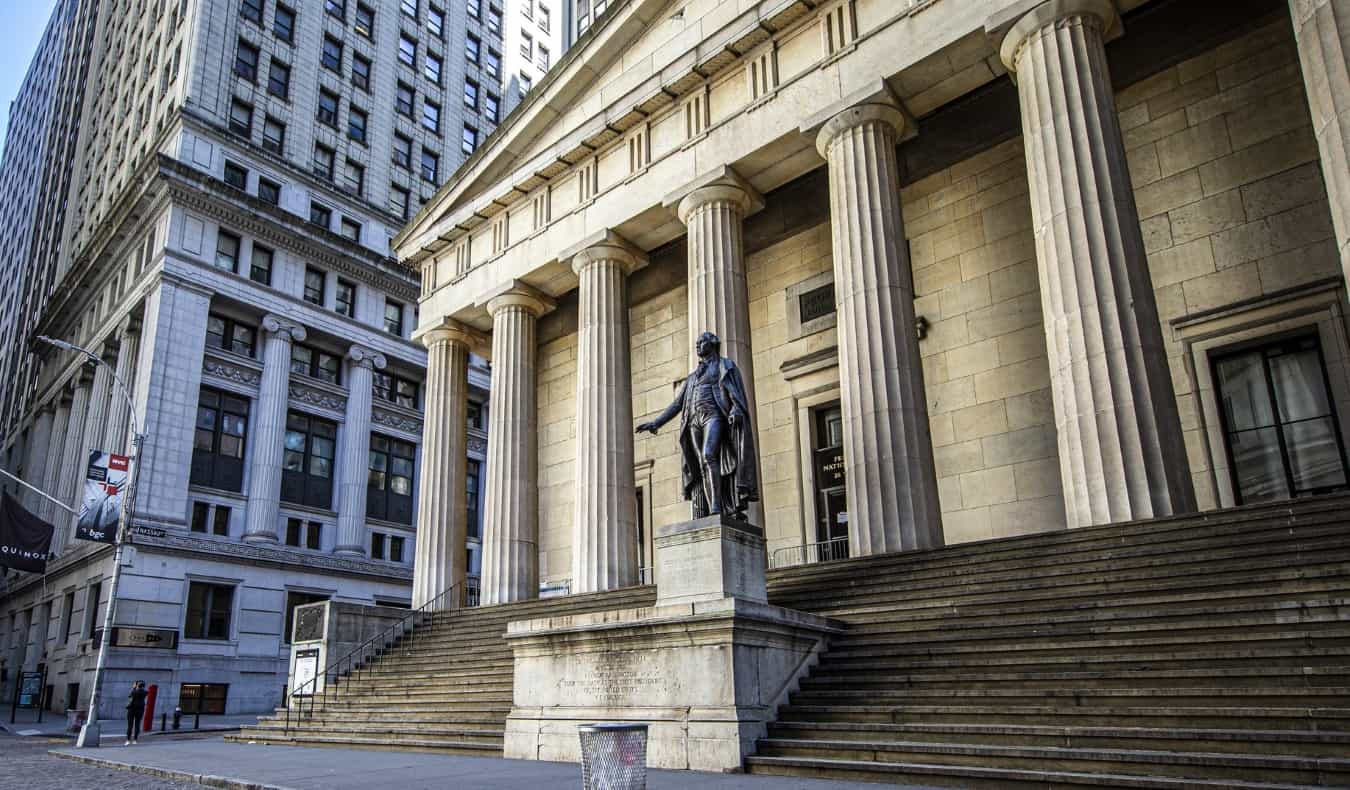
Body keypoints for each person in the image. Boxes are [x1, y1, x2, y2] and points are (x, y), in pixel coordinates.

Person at [636, 331, 759, 518]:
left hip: (714, 416)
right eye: (697, 342)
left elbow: (736, 395)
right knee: (701, 463)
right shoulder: (693, 377)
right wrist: (656, 422)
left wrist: (735, 409)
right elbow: (677, 404)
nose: (698, 345)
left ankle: (718, 507)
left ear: (713, 344)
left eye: (702, 341)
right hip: (694, 421)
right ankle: (711, 508)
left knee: (709, 455)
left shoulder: (724, 366)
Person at [125, 680, 147, 745]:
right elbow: (144, 691)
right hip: (140, 710)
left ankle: (128, 740)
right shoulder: (145, 692)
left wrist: (134, 687)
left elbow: (130, 696)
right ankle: (135, 740)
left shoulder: (134, 692)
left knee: (130, 725)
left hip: (131, 709)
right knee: (137, 725)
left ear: (137, 685)